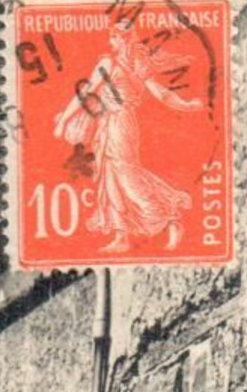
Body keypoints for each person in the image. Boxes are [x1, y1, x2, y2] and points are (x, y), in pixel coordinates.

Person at [55, 16, 203, 254]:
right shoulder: (129, 65)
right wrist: (185, 105)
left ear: (119, 40)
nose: (113, 42)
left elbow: (88, 94)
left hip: (119, 122)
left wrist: (64, 120)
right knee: (109, 176)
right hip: (112, 123)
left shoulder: (119, 65)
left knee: (126, 174)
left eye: (115, 38)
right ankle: (121, 236)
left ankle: (169, 218)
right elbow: (162, 94)